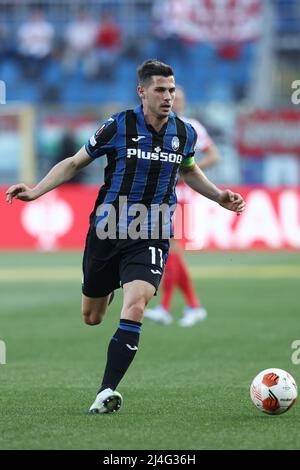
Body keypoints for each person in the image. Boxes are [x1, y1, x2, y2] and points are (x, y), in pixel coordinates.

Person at [6, 59, 245, 414]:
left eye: (172, 90)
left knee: (137, 304)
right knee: (93, 316)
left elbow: (190, 170)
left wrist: (219, 196)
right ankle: (114, 286)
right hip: (108, 228)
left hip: (153, 230)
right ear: (142, 91)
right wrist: (37, 190)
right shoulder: (117, 126)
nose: (168, 97)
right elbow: (74, 163)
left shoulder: (185, 133)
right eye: (160, 90)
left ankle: (106, 391)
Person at [144, 86, 220, 327]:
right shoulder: (156, 126)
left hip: (182, 195)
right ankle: (192, 306)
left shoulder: (190, 127)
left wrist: (186, 169)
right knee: (172, 251)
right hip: (160, 195)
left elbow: (213, 156)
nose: (176, 102)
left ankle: (167, 308)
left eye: (180, 99)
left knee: (171, 248)